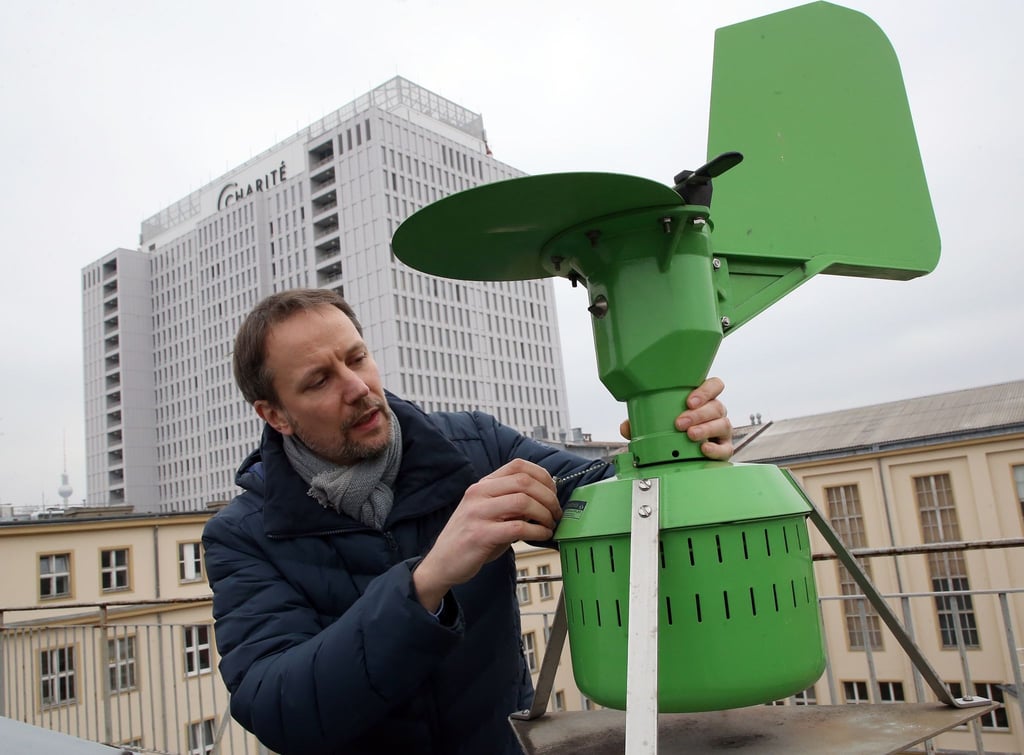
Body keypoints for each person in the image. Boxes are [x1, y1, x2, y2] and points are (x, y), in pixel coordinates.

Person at [202, 288, 733, 755]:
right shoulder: (243, 534)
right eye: (319, 380)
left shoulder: (476, 447)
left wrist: (677, 446)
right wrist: (425, 582)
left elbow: (623, 504)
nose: (358, 387)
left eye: (357, 358)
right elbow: (279, 708)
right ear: (274, 414)